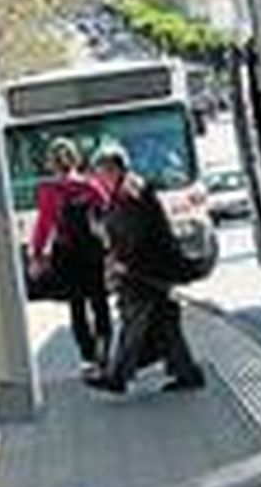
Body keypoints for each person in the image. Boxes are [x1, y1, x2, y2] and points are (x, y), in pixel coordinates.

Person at [84, 144, 205, 394]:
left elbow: (133, 231)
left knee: (133, 321)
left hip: (143, 272)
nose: (99, 180)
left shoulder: (129, 191)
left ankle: (117, 377)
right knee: (165, 323)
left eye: (101, 174)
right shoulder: (128, 187)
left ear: (113, 170)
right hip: (150, 269)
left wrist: (121, 261)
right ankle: (187, 372)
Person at [28, 138, 112, 377]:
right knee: (100, 303)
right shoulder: (91, 186)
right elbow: (109, 217)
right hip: (92, 253)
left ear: (50, 163)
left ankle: (88, 358)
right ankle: (104, 353)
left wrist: (36, 255)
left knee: (77, 307)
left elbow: (43, 226)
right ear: (75, 159)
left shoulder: (48, 191)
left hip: (66, 254)